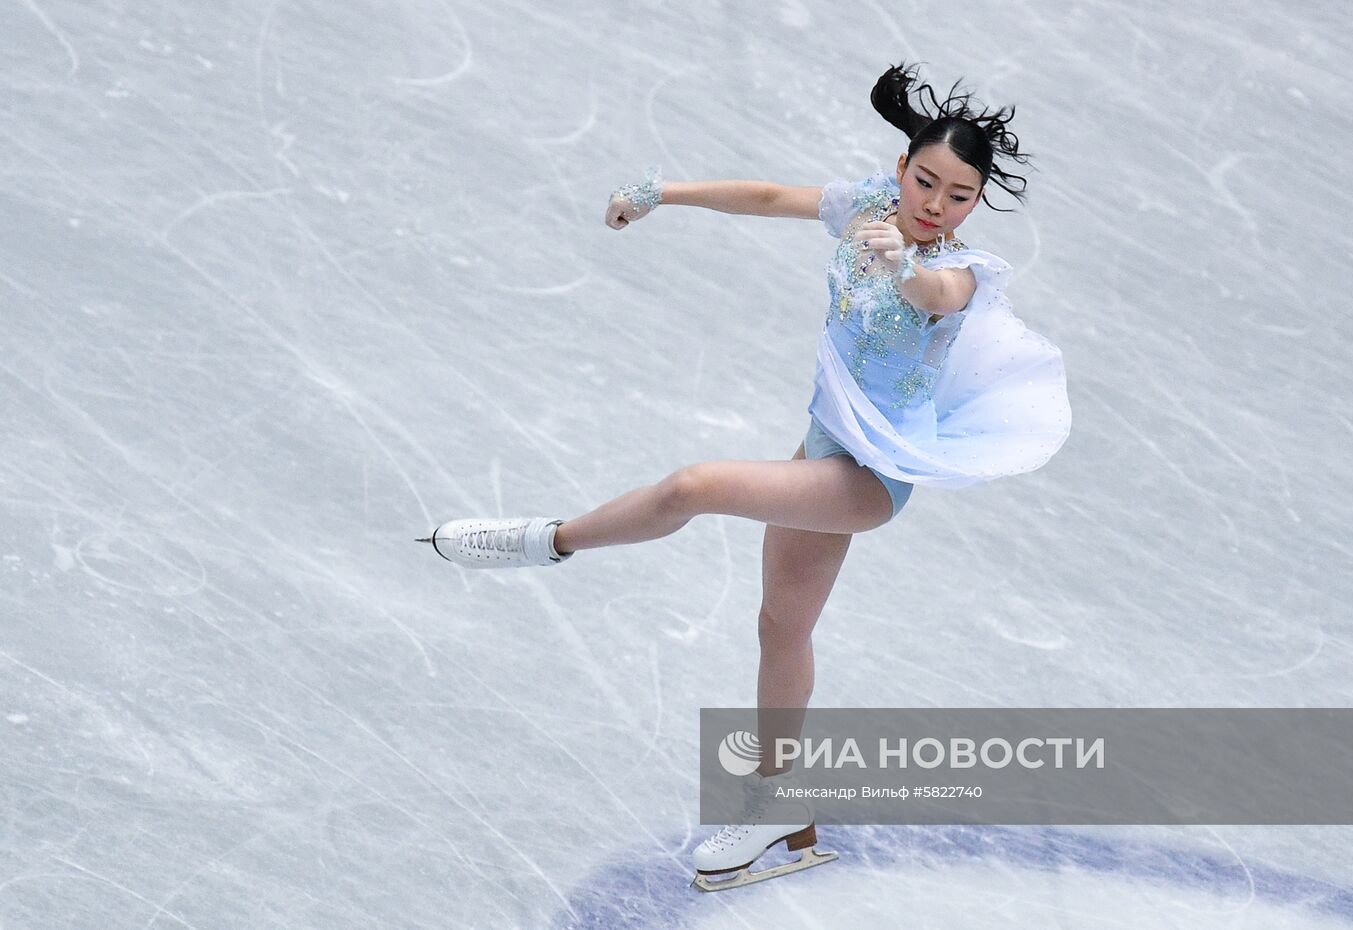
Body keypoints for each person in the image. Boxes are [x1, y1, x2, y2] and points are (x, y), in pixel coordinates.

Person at [418, 63, 1071, 890]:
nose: (935, 204)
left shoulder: (965, 271)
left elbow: (934, 292)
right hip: (822, 446)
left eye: (958, 194)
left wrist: (899, 267)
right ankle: (785, 807)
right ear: (903, 167)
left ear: (976, 204)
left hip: (867, 478)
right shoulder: (868, 206)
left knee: (694, 487)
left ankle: (547, 542)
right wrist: (663, 194)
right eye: (925, 180)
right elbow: (767, 197)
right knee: (780, 629)